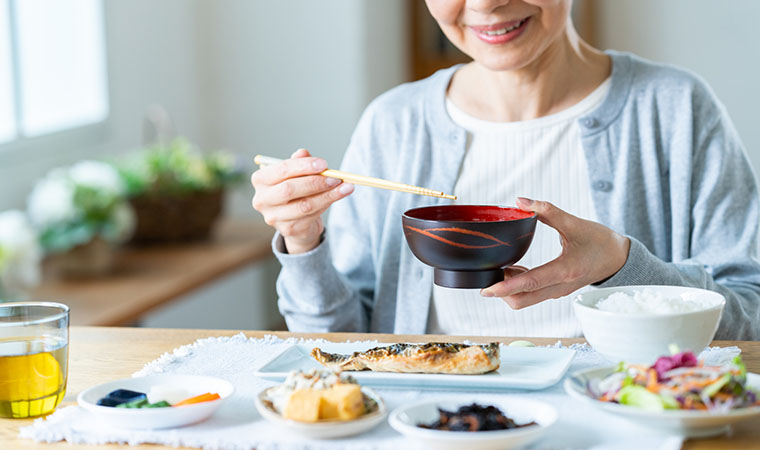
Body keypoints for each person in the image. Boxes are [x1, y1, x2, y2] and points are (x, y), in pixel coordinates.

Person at [251, 0, 760, 340]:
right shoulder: (394, 122)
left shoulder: (674, 107)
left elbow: (750, 317)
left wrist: (623, 267)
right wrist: (303, 241)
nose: (486, 3)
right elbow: (341, 345)